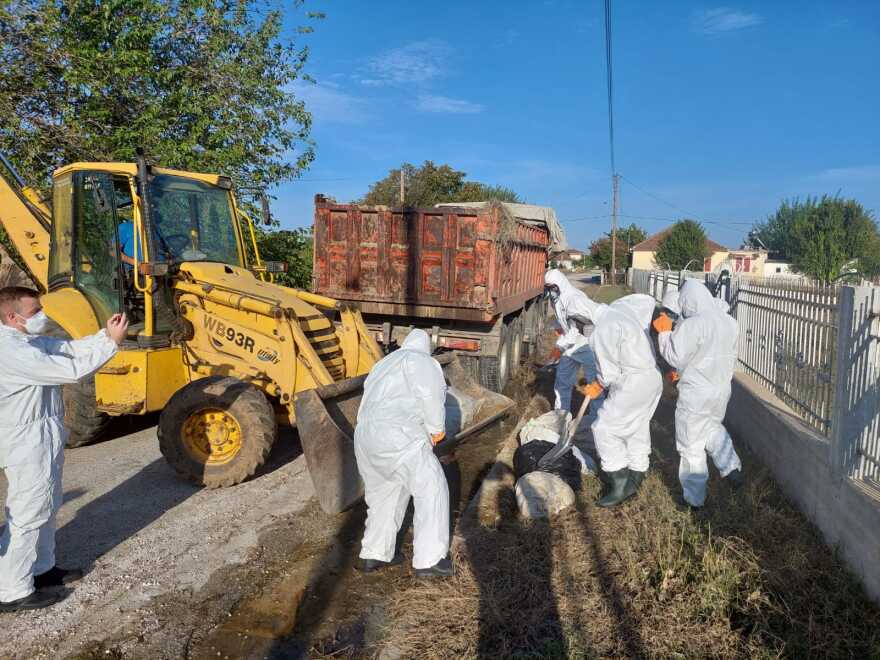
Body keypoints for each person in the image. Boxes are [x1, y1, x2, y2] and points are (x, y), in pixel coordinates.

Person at [0, 287, 127, 612]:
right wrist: (111, 345)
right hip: (24, 441)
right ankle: (11, 589)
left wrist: (103, 335)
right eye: (35, 311)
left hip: (41, 435)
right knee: (28, 512)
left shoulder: (27, 340)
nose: (43, 315)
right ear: (12, 317)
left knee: (47, 503)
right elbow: (71, 370)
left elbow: (67, 348)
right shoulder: (10, 350)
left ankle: (42, 569)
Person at [353, 329, 453, 578]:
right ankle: (429, 560)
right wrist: (437, 430)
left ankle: (373, 554)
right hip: (399, 435)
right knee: (431, 488)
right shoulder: (423, 361)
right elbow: (430, 395)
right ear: (426, 347)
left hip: (365, 436)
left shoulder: (383, 364)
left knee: (384, 495)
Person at [654, 280, 743, 509]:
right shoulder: (729, 322)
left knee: (690, 444)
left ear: (688, 301)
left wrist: (664, 333)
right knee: (711, 428)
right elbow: (714, 355)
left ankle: (694, 501)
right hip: (721, 390)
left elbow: (674, 355)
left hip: (696, 394)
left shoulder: (694, 324)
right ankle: (731, 467)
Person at [575, 293, 663, 506]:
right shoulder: (620, 317)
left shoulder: (603, 329)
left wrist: (598, 384)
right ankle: (636, 477)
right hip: (651, 378)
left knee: (603, 428)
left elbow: (609, 373)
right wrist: (601, 383)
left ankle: (619, 483)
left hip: (633, 384)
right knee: (637, 426)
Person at [543, 269, 601, 412]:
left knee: (594, 385)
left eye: (552, 287)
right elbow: (563, 319)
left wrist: (559, 347)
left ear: (560, 284)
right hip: (570, 348)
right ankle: (561, 414)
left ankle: (597, 417)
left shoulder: (574, 299)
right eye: (548, 288)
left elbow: (578, 329)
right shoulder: (556, 300)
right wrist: (558, 327)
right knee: (562, 382)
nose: (551, 291)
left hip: (587, 346)